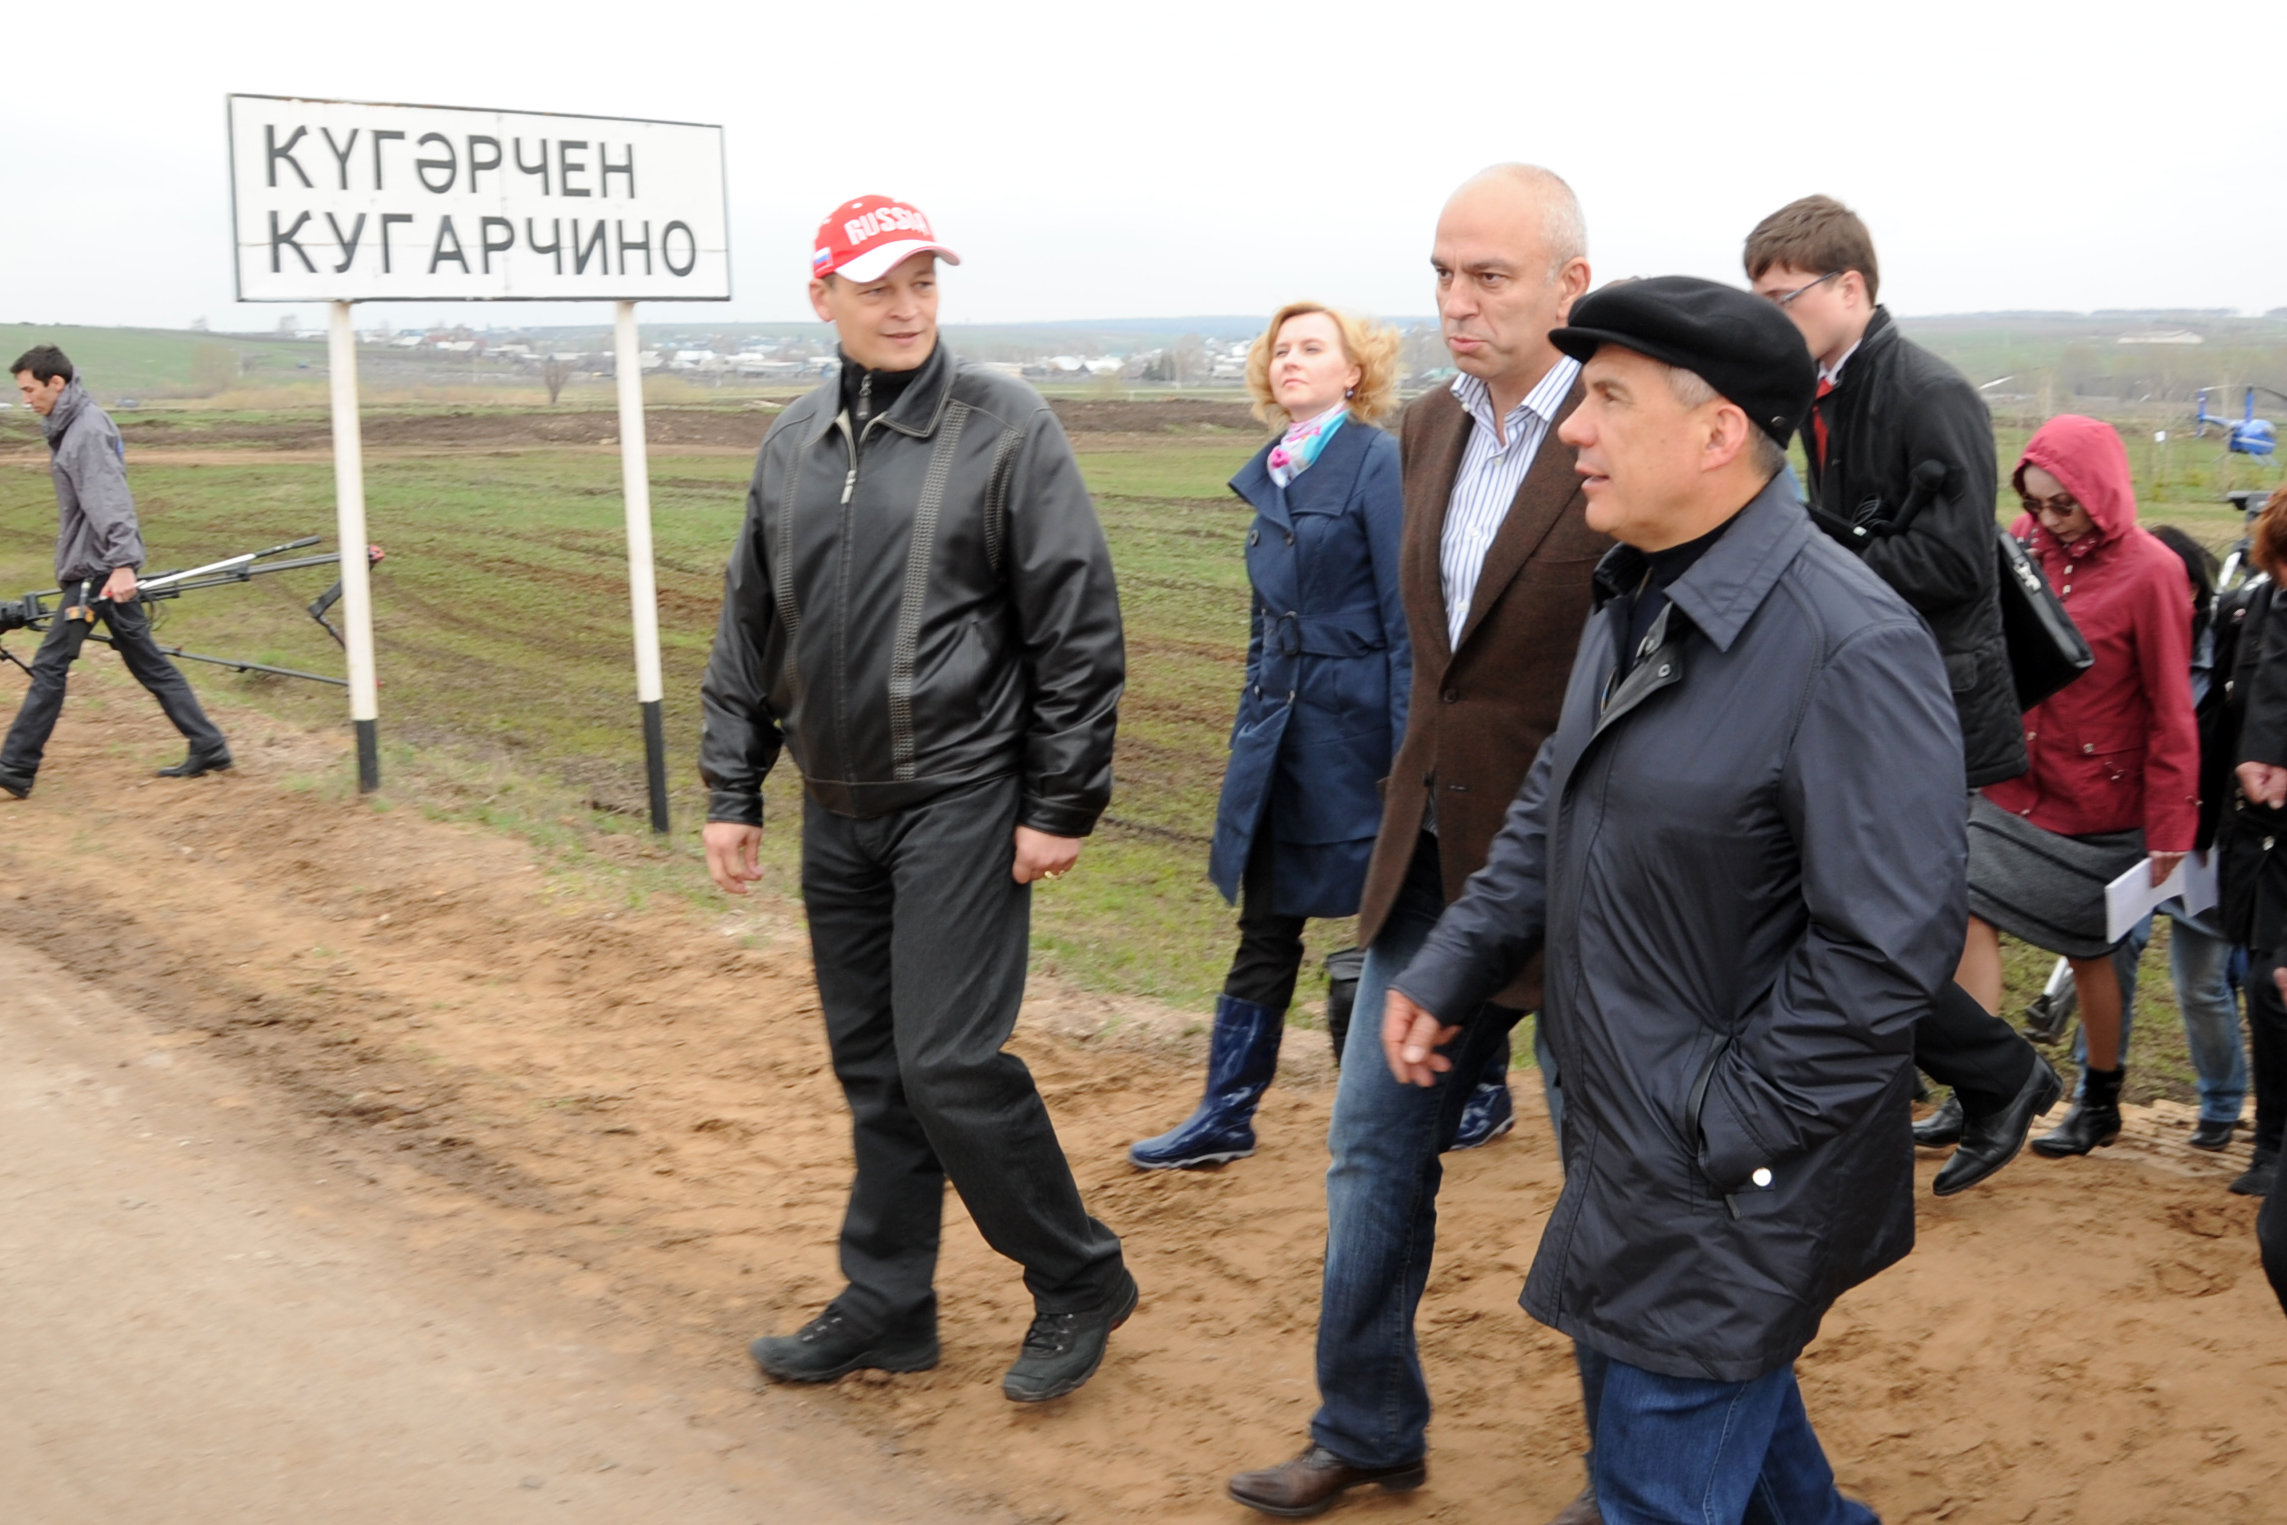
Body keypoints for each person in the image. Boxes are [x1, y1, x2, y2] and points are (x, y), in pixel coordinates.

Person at [1383, 275, 1963, 1525]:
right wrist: (1455, 959)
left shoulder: (1848, 644)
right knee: (1761, 1476)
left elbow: (1880, 953)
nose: (1571, 430)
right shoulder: (1637, 595)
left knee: (1650, 1482)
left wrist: (1719, 1123)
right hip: (1637, 1147)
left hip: (1723, 1172)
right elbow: (1554, 808)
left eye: (1603, 400)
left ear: (1716, 435)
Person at [699, 196, 1136, 1404]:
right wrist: (733, 785)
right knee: (876, 1071)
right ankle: (889, 1304)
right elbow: (750, 625)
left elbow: (1077, 626)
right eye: (880, 286)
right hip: (838, 807)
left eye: (924, 285)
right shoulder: (790, 443)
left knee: (945, 1063)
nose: (906, 308)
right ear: (822, 296)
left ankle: (1078, 1273)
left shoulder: (1005, 426)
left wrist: (1060, 801)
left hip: (964, 795)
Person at [1226, 163, 1608, 1523]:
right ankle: (1367, 1424)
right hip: (1429, 872)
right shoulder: (1426, 434)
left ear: (1568, 284)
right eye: (1442, 274)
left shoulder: (1618, 431)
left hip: (1583, 884)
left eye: (1486, 277)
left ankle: (1629, 1467)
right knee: (1368, 1150)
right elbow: (1421, 665)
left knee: (1604, 1181)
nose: (1454, 302)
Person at [1744, 197, 2059, 1197]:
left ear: (1850, 288)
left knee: (1861, 921)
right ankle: (1987, 1081)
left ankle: (2000, 1078)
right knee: (1866, 916)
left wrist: (1821, 545)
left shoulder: (1930, 392)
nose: (1767, 316)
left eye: (1780, 296)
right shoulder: (1825, 390)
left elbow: (1958, 564)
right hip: (1872, 692)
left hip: (1932, 704)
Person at [1129, 302, 1436, 1169]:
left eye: (1312, 348)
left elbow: (1405, 617)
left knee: (1404, 916)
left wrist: (1407, 757)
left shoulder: (1377, 462)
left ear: (1354, 373)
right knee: (1266, 922)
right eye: (1280, 350)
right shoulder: (1274, 472)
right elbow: (1267, 626)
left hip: (1359, 735)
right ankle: (1225, 1112)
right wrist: (1246, 728)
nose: (1289, 360)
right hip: (1282, 738)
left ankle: (1468, 1088)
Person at [1955, 416, 2198, 1158]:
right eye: (2036, 504)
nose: (2048, 521)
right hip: (2014, 781)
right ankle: (1985, 1092)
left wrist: (2170, 825)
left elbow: (2169, 704)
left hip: (2102, 797)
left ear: (2101, 492)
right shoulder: (2022, 549)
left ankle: (2099, 1098)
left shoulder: (2153, 571)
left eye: (2063, 504)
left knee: (2092, 951)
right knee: (1966, 906)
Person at [1, 346, 231, 798]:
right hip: (98, 567)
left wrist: (123, 565)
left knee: (50, 665)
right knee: (149, 663)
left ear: (56, 383)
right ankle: (209, 745)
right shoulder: (71, 426)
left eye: (30, 390)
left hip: (99, 572)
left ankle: (14, 767)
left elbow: (111, 500)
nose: (26, 400)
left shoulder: (85, 430)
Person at [2087, 528, 2247, 1154]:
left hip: (2203, 847)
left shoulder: (2229, 651)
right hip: (2127, 839)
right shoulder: (2118, 648)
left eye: (2173, 588)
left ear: (2196, 592)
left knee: (2201, 981)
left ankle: (2223, 1101)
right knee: (2108, 961)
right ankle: (2093, 1093)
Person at [2221, 483, 2287, 1199]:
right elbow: (2232, 712)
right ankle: (2270, 1141)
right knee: (2267, 982)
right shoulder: (2261, 603)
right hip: (2265, 832)